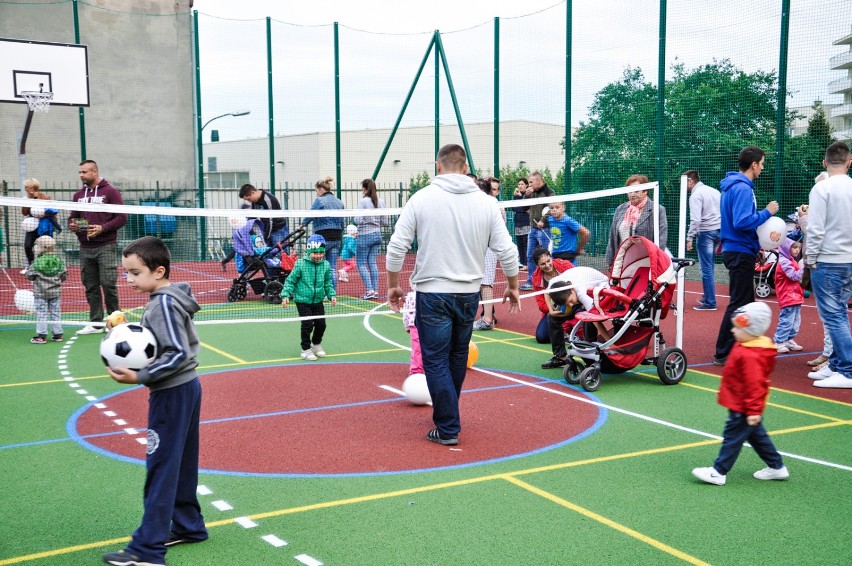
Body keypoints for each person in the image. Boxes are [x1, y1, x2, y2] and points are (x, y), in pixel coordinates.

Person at [386, 144, 520, 446]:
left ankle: (447, 426)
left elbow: (397, 246)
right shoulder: (486, 203)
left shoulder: (421, 198)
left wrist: (393, 284)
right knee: (457, 357)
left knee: (434, 360)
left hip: (432, 293)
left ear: (438, 165)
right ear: (464, 167)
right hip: (468, 294)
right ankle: (448, 416)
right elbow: (507, 250)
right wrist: (512, 285)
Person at [101, 236, 208, 566]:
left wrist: (139, 376)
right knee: (182, 464)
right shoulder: (167, 298)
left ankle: (147, 550)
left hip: (171, 393)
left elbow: (174, 352)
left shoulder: (160, 303)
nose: (129, 280)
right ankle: (189, 526)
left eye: (134, 273)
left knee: (161, 468)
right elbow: (158, 340)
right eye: (126, 273)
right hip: (188, 388)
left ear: (158, 271)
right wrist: (124, 328)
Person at [691, 301, 789, 485]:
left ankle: (718, 471)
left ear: (751, 331)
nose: (732, 331)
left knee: (733, 437)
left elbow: (755, 385)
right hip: (740, 401)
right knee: (756, 436)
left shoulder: (752, 354)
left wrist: (753, 410)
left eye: (737, 327)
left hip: (743, 405)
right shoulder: (747, 344)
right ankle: (776, 467)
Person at [713, 147, 778, 366]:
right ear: (753, 164)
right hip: (738, 250)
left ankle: (741, 349)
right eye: (762, 163)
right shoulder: (741, 188)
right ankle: (723, 352)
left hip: (740, 249)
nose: (763, 167)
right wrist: (767, 212)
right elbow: (742, 221)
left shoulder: (733, 187)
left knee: (746, 302)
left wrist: (755, 247)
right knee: (739, 303)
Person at [805, 141, 852, 389]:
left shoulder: (822, 188)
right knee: (839, 313)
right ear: (849, 161)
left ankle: (847, 370)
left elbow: (815, 228)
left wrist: (809, 258)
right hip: (849, 260)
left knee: (833, 316)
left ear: (825, 163)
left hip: (828, 259)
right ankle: (836, 366)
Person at [68, 160, 128, 335]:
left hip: (106, 246)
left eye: (84, 172)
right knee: (90, 286)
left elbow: (122, 218)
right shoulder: (78, 195)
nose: (81, 175)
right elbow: (73, 216)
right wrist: (73, 225)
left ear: (95, 172)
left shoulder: (111, 192)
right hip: (85, 247)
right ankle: (95, 323)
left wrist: (103, 228)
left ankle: (116, 322)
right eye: (80, 172)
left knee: (108, 284)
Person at [280, 234, 337, 361]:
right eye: (315, 253)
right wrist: (285, 295)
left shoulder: (326, 265)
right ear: (309, 251)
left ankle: (315, 344)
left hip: (318, 300)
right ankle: (305, 349)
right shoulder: (300, 264)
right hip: (302, 300)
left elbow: (328, 282)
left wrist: (331, 294)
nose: (318, 255)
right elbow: (290, 281)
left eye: (320, 252)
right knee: (307, 325)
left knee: (321, 324)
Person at [542, 266, 611, 368]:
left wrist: (610, 343)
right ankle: (560, 357)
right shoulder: (555, 283)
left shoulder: (581, 293)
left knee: (589, 316)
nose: (570, 305)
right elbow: (546, 293)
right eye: (567, 304)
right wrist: (551, 311)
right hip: (579, 287)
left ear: (572, 290)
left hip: (602, 289)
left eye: (570, 301)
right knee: (552, 318)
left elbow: (595, 319)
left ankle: (590, 351)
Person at [605, 175, 668, 267]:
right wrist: (609, 261)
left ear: (645, 191)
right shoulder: (620, 209)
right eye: (630, 191)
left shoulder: (657, 209)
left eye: (636, 191)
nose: (632, 194)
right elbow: (612, 238)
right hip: (622, 262)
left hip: (645, 262)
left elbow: (661, 239)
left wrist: (655, 262)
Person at [684, 170, 721, 311]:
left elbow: (696, 219)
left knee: (706, 268)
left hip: (706, 232)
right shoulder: (714, 191)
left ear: (690, 181)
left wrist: (689, 238)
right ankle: (708, 297)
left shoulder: (695, 195)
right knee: (709, 267)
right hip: (719, 230)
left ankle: (710, 302)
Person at [302, 177, 345, 290]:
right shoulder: (339, 202)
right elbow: (342, 222)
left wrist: (302, 226)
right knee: (332, 268)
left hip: (322, 238)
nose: (317, 194)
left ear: (321, 189)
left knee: (317, 266)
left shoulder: (319, 201)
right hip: (336, 238)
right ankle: (331, 293)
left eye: (316, 191)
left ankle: (318, 291)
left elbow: (310, 215)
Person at [474, 177, 505, 331]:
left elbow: (501, 228)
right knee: (477, 282)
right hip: (478, 247)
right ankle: (484, 316)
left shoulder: (493, 205)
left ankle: (487, 319)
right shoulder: (477, 204)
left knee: (486, 282)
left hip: (490, 247)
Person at [24, 235, 66, 344]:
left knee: (41, 313)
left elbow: (29, 275)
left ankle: (42, 336)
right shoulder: (59, 261)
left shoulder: (36, 263)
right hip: (55, 292)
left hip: (40, 293)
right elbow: (64, 275)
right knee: (55, 312)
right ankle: (58, 334)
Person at [530, 247, 574, 344]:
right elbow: (541, 304)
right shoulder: (536, 278)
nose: (547, 265)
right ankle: (563, 330)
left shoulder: (565, 265)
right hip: (553, 311)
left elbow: (578, 282)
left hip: (573, 304)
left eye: (548, 261)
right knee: (541, 337)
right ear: (537, 265)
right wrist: (555, 309)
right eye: (542, 264)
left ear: (551, 257)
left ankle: (571, 329)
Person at [522, 171, 555, 290]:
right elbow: (524, 207)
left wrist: (543, 220)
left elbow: (552, 208)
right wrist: (526, 195)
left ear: (539, 181)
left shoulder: (549, 193)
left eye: (531, 182)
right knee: (530, 256)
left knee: (547, 257)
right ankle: (531, 282)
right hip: (533, 229)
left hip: (545, 229)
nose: (529, 185)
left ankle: (552, 281)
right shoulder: (532, 192)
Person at [20, 178, 61, 274]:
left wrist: (42, 214)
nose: (25, 189)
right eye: (25, 187)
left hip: (44, 226)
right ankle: (31, 266)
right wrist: (25, 203)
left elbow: (53, 213)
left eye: (27, 187)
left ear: (32, 187)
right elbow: (24, 213)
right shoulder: (26, 198)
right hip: (32, 226)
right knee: (27, 245)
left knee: (45, 247)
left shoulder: (45, 197)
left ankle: (47, 266)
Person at [773, 234, 805, 354]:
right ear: (786, 248)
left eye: (798, 247)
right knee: (787, 320)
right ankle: (779, 341)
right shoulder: (784, 262)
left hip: (795, 296)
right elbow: (793, 276)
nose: (797, 250)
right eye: (794, 247)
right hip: (788, 296)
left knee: (796, 322)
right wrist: (804, 269)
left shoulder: (791, 260)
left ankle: (788, 339)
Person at [356, 178, 387, 299]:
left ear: (365, 189)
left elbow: (358, 220)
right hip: (377, 235)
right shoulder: (382, 202)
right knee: (372, 263)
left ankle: (369, 290)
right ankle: (375, 290)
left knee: (361, 264)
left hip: (365, 235)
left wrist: (363, 221)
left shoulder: (363, 201)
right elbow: (385, 221)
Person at [238, 183, 288, 250]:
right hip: (266, 230)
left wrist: (266, 237)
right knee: (267, 254)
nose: (249, 201)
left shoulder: (268, 200)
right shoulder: (254, 201)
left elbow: (271, 221)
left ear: (253, 193)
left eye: (249, 199)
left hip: (278, 230)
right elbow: (253, 217)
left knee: (281, 252)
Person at [402, 288, 423, 376]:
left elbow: (405, 313)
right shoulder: (432, 294)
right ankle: (416, 370)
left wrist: (406, 325)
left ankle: (416, 370)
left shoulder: (410, 296)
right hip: (422, 324)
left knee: (417, 348)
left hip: (414, 325)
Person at [511, 178, 531, 271]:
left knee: (526, 244)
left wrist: (521, 207)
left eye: (522, 184)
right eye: (519, 184)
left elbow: (524, 207)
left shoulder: (528, 195)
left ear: (526, 185)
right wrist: (521, 208)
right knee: (520, 245)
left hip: (526, 223)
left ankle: (527, 263)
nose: (520, 186)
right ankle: (522, 263)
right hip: (518, 223)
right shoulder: (516, 196)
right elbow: (514, 208)